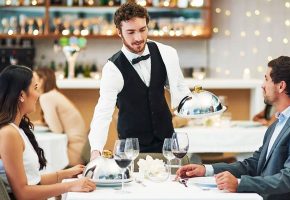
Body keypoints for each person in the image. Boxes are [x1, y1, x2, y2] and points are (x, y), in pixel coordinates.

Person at [176, 56, 290, 200]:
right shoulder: (277, 124)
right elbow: (253, 164)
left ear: (281, 86)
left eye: (266, 79)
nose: (262, 85)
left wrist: (240, 183)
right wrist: (206, 169)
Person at [89, 2, 190, 159]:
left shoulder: (166, 53)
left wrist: (198, 106)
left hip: (168, 145)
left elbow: (180, 88)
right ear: (119, 32)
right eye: (130, 32)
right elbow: (103, 113)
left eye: (142, 30)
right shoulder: (112, 69)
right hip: (132, 150)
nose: (138, 38)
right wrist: (96, 150)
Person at [0, 65, 96, 199]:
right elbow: (23, 193)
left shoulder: (17, 129)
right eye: (35, 88)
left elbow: (34, 181)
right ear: (21, 95)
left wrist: (66, 174)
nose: (38, 94)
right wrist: (70, 186)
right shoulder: (8, 133)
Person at [34, 67, 88, 166]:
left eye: (34, 79)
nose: (32, 84)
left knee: (34, 161)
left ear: (41, 80)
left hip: (73, 153)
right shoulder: (54, 94)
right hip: (82, 150)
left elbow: (57, 129)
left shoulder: (46, 97)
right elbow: (53, 124)